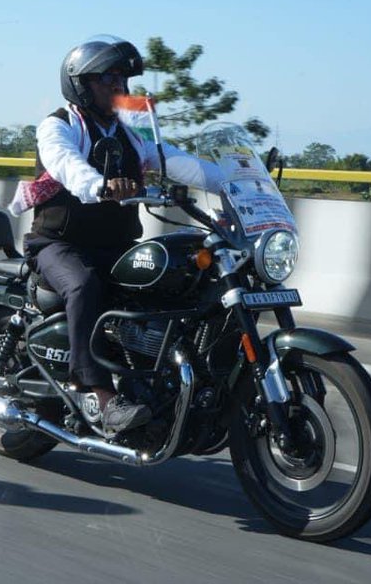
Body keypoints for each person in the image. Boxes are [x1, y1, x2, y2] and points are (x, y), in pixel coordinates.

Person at [25, 35, 224, 435]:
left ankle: (156, 384)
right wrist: (99, 184)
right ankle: (97, 392)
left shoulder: (131, 131)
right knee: (84, 285)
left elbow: (175, 160)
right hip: (59, 245)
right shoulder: (59, 126)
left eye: (123, 80)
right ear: (81, 83)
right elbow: (66, 165)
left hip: (115, 246)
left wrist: (230, 180)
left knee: (174, 283)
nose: (120, 88)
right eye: (109, 79)